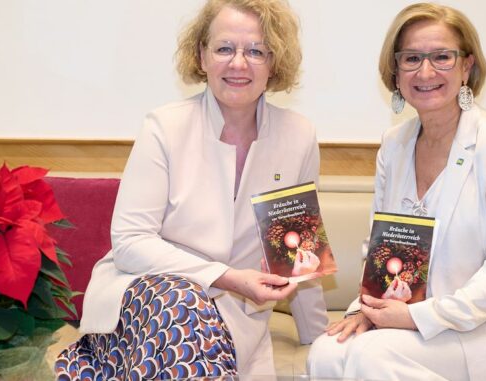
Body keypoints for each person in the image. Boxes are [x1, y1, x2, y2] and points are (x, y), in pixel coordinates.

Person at [55, 0, 328, 378]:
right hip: (145, 299)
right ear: (201, 56)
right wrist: (225, 277)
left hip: (232, 315)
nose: (238, 63)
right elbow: (130, 242)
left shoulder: (298, 135)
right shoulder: (164, 127)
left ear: (274, 62)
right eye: (224, 48)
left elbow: (298, 252)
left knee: (190, 321)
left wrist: (318, 339)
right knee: (180, 302)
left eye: (255, 51)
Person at [307, 3, 486, 380]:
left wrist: (417, 317)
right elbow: (385, 251)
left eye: (442, 57)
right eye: (412, 58)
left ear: (467, 66)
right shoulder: (394, 146)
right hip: (420, 322)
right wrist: (365, 310)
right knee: (325, 354)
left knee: (372, 360)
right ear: (395, 72)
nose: (426, 71)